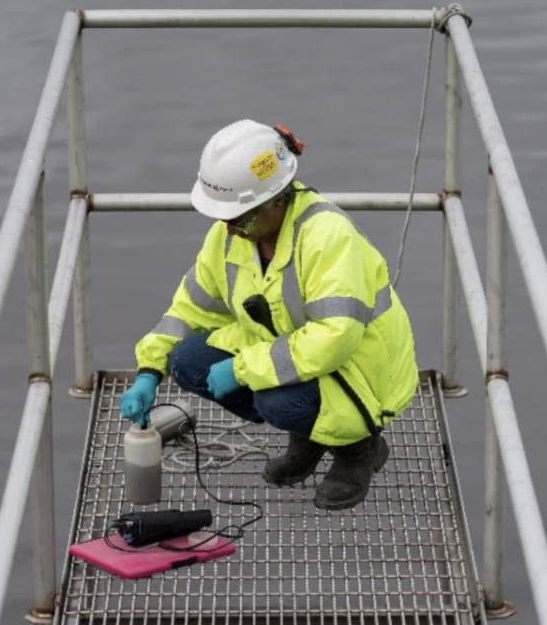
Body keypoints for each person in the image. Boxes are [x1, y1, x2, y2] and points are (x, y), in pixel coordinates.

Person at [120, 119, 419, 510]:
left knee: (276, 402)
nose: (229, 230)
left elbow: (336, 338)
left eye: (239, 218)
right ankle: (310, 434)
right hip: (293, 351)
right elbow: (188, 311)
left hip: (360, 372)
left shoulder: (327, 237)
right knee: (186, 361)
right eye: (222, 218)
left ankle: (358, 448)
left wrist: (243, 370)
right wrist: (148, 372)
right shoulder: (232, 236)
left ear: (277, 199)